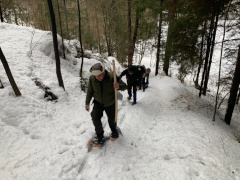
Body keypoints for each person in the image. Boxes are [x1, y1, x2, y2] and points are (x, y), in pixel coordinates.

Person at [85, 62, 127, 146]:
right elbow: (90, 91)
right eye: (95, 76)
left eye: (99, 75)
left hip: (110, 102)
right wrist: (87, 103)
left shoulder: (112, 77)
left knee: (112, 119)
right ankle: (100, 136)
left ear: (104, 72)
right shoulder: (92, 78)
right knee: (95, 117)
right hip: (98, 102)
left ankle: (114, 131)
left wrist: (118, 86)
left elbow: (124, 86)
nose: (97, 77)